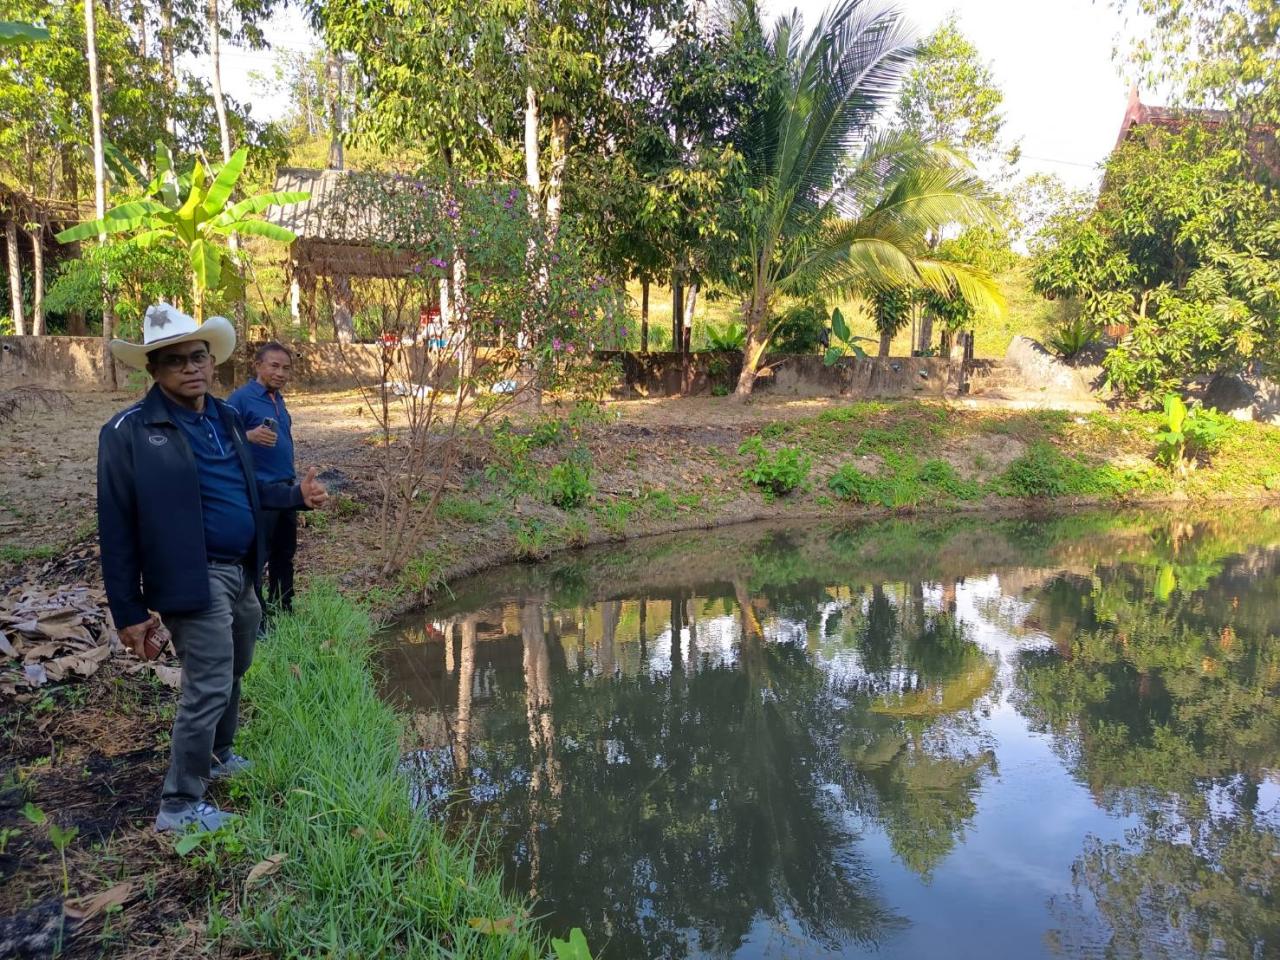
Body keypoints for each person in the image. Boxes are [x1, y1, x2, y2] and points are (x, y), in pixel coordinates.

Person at [97, 303, 328, 833]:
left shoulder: (225, 418)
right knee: (207, 683)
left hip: (242, 570)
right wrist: (128, 611)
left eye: (198, 356)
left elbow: (245, 489)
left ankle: (219, 754)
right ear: (154, 370)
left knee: (236, 668)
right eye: (175, 361)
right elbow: (116, 525)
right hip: (191, 577)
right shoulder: (129, 431)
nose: (191, 368)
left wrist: (296, 494)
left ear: (212, 359)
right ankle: (179, 806)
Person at [228, 343, 298, 613]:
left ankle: (283, 606)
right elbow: (221, 440)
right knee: (259, 556)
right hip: (259, 491)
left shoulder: (277, 399)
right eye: (274, 366)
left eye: (286, 368)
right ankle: (255, 616)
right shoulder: (240, 399)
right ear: (257, 366)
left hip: (286, 490)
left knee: (285, 553)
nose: (281, 373)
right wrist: (249, 436)